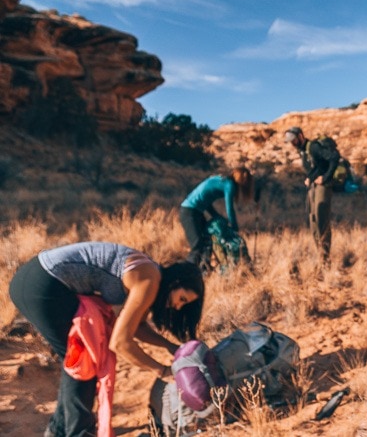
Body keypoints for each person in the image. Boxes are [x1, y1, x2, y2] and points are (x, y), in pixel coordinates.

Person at [9, 241, 204, 437]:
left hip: (34, 278)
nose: (178, 306)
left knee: (75, 359)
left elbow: (136, 327)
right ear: (175, 283)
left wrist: (169, 346)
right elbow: (120, 342)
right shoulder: (149, 280)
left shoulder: (149, 272)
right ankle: (77, 432)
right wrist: (161, 370)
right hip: (44, 284)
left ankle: (59, 430)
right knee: (84, 361)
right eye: (182, 298)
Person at [284, 126, 340, 264]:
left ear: (300, 136)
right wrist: (310, 177)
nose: (292, 143)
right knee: (313, 220)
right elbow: (318, 166)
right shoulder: (303, 151)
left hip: (323, 186)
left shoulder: (313, 147)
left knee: (321, 219)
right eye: (290, 141)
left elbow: (334, 157)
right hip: (313, 186)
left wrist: (325, 178)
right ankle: (321, 255)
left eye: (294, 140)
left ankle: (325, 258)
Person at [180, 167, 253, 269]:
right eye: (245, 179)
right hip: (189, 212)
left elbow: (205, 199)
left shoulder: (221, 180)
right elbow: (229, 208)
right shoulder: (229, 185)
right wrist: (234, 227)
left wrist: (216, 216)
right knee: (197, 247)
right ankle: (186, 274)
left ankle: (203, 272)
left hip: (195, 211)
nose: (245, 182)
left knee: (207, 242)